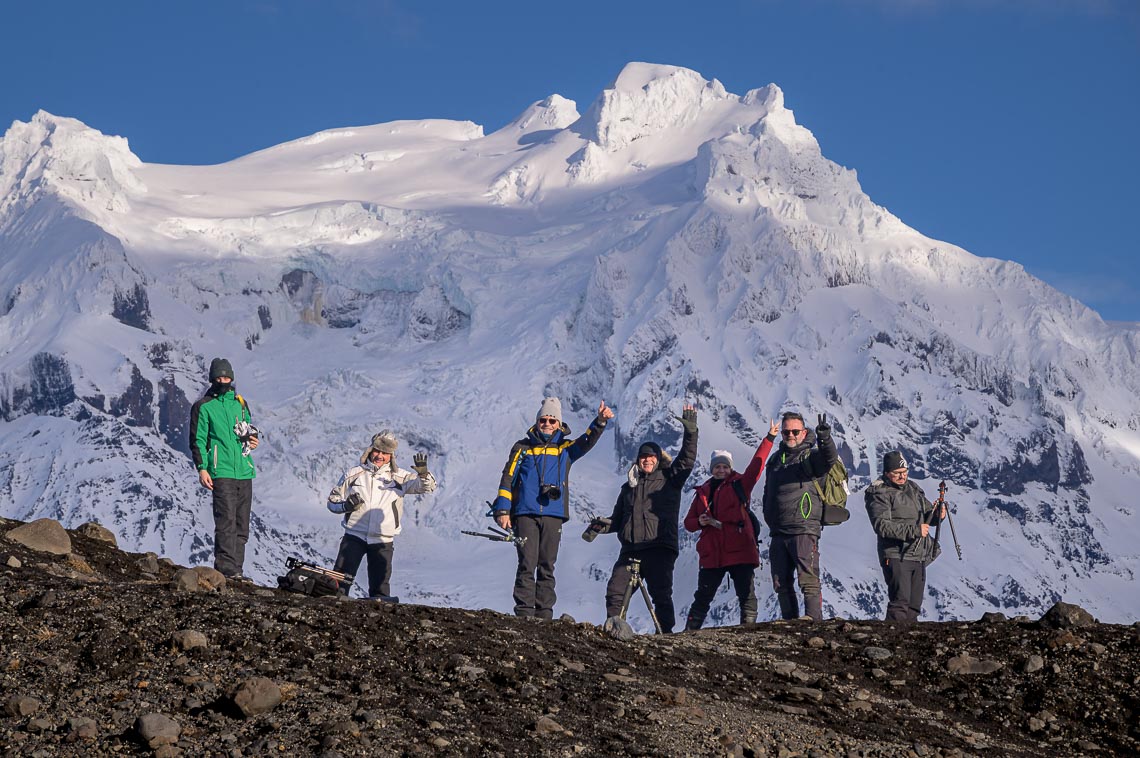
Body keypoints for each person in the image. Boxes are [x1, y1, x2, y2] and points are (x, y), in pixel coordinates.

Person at [492, 397, 614, 618]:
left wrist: (600, 422)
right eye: (543, 420)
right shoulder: (523, 448)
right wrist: (502, 510)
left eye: (552, 420)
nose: (547, 424)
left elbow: (587, 441)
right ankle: (524, 613)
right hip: (525, 514)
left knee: (547, 565)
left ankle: (544, 614)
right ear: (537, 422)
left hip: (553, 515)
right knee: (527, 563)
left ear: (559, 424)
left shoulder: (565, 449)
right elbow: (507, 478)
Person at [587, 405, 699, 633]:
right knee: (615, 590)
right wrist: (603, 526)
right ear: (638, 460)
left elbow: (687, 459)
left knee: (661, 594)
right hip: (631, 550)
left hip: (659, 547)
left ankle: (665, 635)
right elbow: (618, 520)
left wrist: (691, 431)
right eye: (643, 457)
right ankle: (614, 631)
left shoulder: (670, 479)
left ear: (658, 459)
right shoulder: (628, 487)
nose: (647, 460)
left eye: (651, 457)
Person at [682, 420, 779, 629]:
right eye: (718, 466)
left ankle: (748, 629)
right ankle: (690, 631)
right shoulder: (703, 492)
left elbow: (757, 465)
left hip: (738, 548)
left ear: (730, 468)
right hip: (713, 552)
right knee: (703, 596)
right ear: (712, 469)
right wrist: (700, 521)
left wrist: (769, 439)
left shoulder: (739, 484)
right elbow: (688, 523)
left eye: (725, 466)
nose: (721, 470)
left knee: (746, 593)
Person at [326, 431, 436, 600]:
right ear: (370, 450)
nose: (380, 456)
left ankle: (375, 622)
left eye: (385, 453)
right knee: (340, 583)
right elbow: (332, 501)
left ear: (391, 456)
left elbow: (427, 487)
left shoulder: (400, 477)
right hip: (354, 536)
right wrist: (345, 506)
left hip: (383, 540)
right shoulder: (354, 473)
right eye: (377, 450)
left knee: (380, 589)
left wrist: (423, 474)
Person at [761, 411, 838, 621]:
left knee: (808, 579)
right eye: (786, 432)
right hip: (778, 531)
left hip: (804, 528)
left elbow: (830, 458)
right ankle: (790, 624)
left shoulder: (812, 457)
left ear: (804, 432)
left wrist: (825, 438)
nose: (791, 435)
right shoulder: (776, 460)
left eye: (795, 431)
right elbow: (768, 491)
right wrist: (769, 516)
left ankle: (813, 622)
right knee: (780, 583)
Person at [189, 357, 259, 581]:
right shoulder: (203, 407)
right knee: (226, 521)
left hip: (244, 470)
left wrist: (253, 440)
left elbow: (247, 430)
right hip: (222, 471)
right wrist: (202, 468)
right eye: (219, 377)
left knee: (241, 524)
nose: (223, 380)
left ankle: (236, 570)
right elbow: (198, 440)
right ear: (212, 379)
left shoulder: (240, 403)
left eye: (227, 377)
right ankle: (225, 567)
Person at [864, 451, 945, 621]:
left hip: (918, 554)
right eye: (897, 473)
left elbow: (928, 516)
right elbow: (881, 526)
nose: (902, 476)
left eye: (905, 472)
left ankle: (907, 640)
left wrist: (938, 514)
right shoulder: (879, 493)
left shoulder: (913, 488)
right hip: (896, 554)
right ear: (887, 473)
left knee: (914, 604)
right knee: (900, 602)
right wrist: (914, 530)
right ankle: (892, 639)